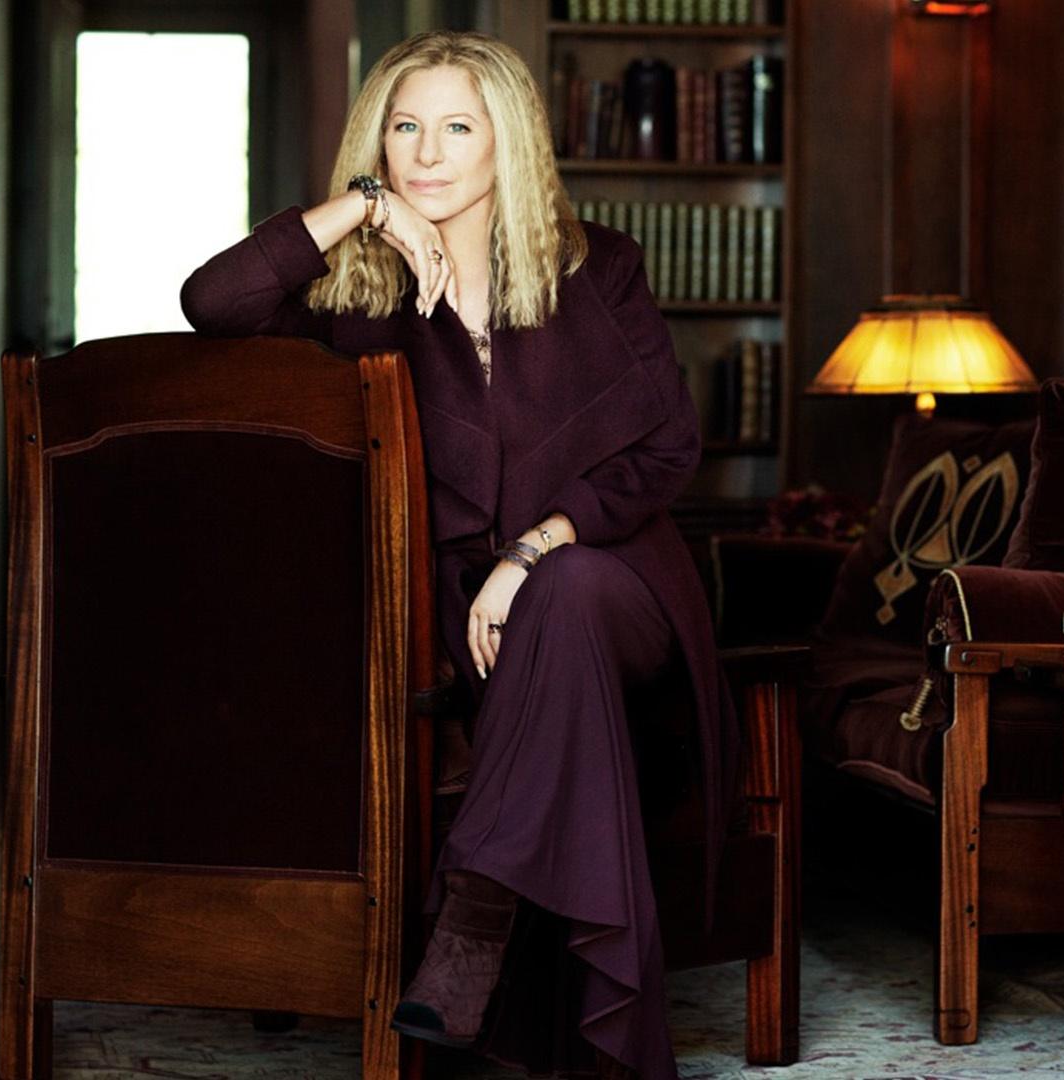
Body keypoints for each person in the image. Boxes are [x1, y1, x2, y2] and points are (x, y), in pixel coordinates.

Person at [180, 30, 738, 1080]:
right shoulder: (356, 295)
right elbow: (211, 304)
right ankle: (544, 1004)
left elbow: (667, 448)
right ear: (375, 145)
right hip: (447, 613)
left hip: (609, 573)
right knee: (548, 625)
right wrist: (358, 211)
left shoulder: (599, 266)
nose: (426, 153)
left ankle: (469, 923)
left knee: (563, 594)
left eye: (455, 127)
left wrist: (531, 549)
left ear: (506, 143)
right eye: (403, 127)